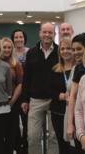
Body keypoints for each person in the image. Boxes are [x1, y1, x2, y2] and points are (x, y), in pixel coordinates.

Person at [21, 22, 59, 154]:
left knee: (54, 137)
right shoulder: (31, 52)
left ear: (54, 34)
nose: (47, 35)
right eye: (45, 32)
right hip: (35, 100)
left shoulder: (60, 52)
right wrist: (24, 99)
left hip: (54, 100)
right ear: (40, 33)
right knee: (32, 136)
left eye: (50, 32)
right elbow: (26, 78)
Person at [46, 37, 77, 154]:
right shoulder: (55, 69)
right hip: (58, 112)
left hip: (75, 113)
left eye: (68, 48)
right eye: (62, 49)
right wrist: (63, 96)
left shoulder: (80, 68)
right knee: (62, 144)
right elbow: (48, 90)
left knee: (75, 145)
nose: (65, 51)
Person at [64, 33, 85, 153]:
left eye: (79, 49)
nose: (75, 52)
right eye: (73, 49)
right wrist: (70, 124)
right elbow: (73, 95)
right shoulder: (79, 68)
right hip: (78, 117)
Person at [0, 37, 24, 154]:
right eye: (4, 47)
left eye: (9, 47)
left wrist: (13, 101)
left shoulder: (16, 64)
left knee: (11, 131)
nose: (7, 49)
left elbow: (20, 84)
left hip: (12, 102)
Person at [11, 29, 29, 154]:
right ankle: (17, 148)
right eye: (16, 37)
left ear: (24, 38)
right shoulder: (8, 53)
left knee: (27, 123)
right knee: (14, 125)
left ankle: (26, 148)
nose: (18, 39)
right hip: (13, 94)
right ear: (13, 39)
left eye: (21, 37)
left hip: (27, 93)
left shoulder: (30, 52)